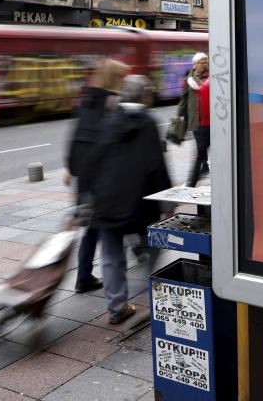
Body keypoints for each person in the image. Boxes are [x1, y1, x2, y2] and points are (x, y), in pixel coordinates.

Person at [81, 75, 171, 324]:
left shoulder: (108, 120)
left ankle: (117, 308)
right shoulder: (149, 123)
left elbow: (93, 160)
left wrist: (87, 197)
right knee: (153, 247)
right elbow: (157, 165)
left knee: (111, 255)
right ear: (144, 96)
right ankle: (155, 293)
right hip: (140, 200)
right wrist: (167, 204)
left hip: (107, 201)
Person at [65, 58, 128, 294]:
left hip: (86, 178)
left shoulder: (87, 101)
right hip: (105, 177)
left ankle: (83, 276)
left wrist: (71, 168)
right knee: (112, 226)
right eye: (122, 76)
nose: (124, 80)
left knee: (92, 227)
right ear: (115, 78)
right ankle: (120, 284)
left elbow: (75, 138)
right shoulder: (113, 103)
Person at [176, 53, 210, 186]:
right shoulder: (188, 80)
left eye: (205, 62)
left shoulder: (210, 77)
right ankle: (203, 166)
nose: (204, 65)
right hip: (196, 119)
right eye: (202, 62)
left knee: (201, 148)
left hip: (211, 120)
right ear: (195, 64)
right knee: (200, 147)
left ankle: (192, 181)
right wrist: (178, 114)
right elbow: (183, 99)